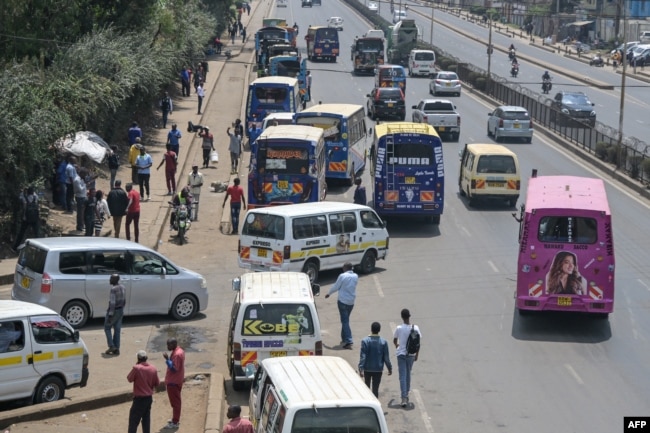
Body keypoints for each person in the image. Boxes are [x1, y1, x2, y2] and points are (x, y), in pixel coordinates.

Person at [325, 262, 358, 349]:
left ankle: (349, 340)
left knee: (345, 321)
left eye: (343, 267)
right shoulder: (355, 276)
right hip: (351, 301)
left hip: (342, 301)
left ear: (345, 268)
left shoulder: (342, 276)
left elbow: (336, 286)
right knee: (345, 320)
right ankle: (344, 338)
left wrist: (329, 293)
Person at [127, 350, 160, 433]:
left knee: (133, 421)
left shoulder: (137, 368)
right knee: (146, 419)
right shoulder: (153, 368)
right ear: (146, 358)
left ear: (138, 359)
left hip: (139, 399)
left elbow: (129, 379)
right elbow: (157, 383)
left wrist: (136, 365)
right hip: (149, 398)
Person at [393, 308, 421, 407]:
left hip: (401, 355)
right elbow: (418, 343)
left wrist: (397, 346)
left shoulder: (399, 328)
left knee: (402, 376)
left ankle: (404, 397)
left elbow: (395, 340)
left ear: (402, 317)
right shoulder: (416, 328)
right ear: (409, 316)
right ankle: (407, 392)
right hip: (411, 355)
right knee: (408, 374)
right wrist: (416, 355)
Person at [358, 322, 392, 398]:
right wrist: (389, 368)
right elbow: (386, 358)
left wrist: (361, 369)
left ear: (371, 329)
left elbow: (363, 356)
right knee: (375, 390)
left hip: (367, 369)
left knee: (366, 389)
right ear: (379, 330)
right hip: (378, 369)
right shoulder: (384, 342)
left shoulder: (365, 341)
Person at [163, 338, 185, 430]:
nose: (167, 347)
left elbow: (174, 369)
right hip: (177, 380)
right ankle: (175, 419)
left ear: (173, 344)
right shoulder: (180, 351)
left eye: (169, 345)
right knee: (176, 402)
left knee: (175, 403)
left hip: (173, 382)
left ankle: (175, 422)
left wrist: (167, 359)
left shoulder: (176, 354)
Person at [12, 187, 40, 251]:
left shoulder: (24, 197)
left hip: (26, 218)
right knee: (37, 233)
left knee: (21, 233)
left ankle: (15, 247)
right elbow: (35, 196)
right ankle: (39, 248)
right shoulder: (35, 197)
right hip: (34, 218)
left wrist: (23, 191)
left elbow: (20, 197)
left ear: (27, 192)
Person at [104, 273, 126, 355]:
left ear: (115, 280)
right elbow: (124, 301)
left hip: (114, 311)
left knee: (107, 328)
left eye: (111, 278)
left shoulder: (113, 289)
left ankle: (111, 346)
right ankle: (117, 348)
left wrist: (110, 315)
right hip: (120, 310)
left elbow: (112, 303)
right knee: (117, 330)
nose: (110, 280)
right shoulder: (123, 287)